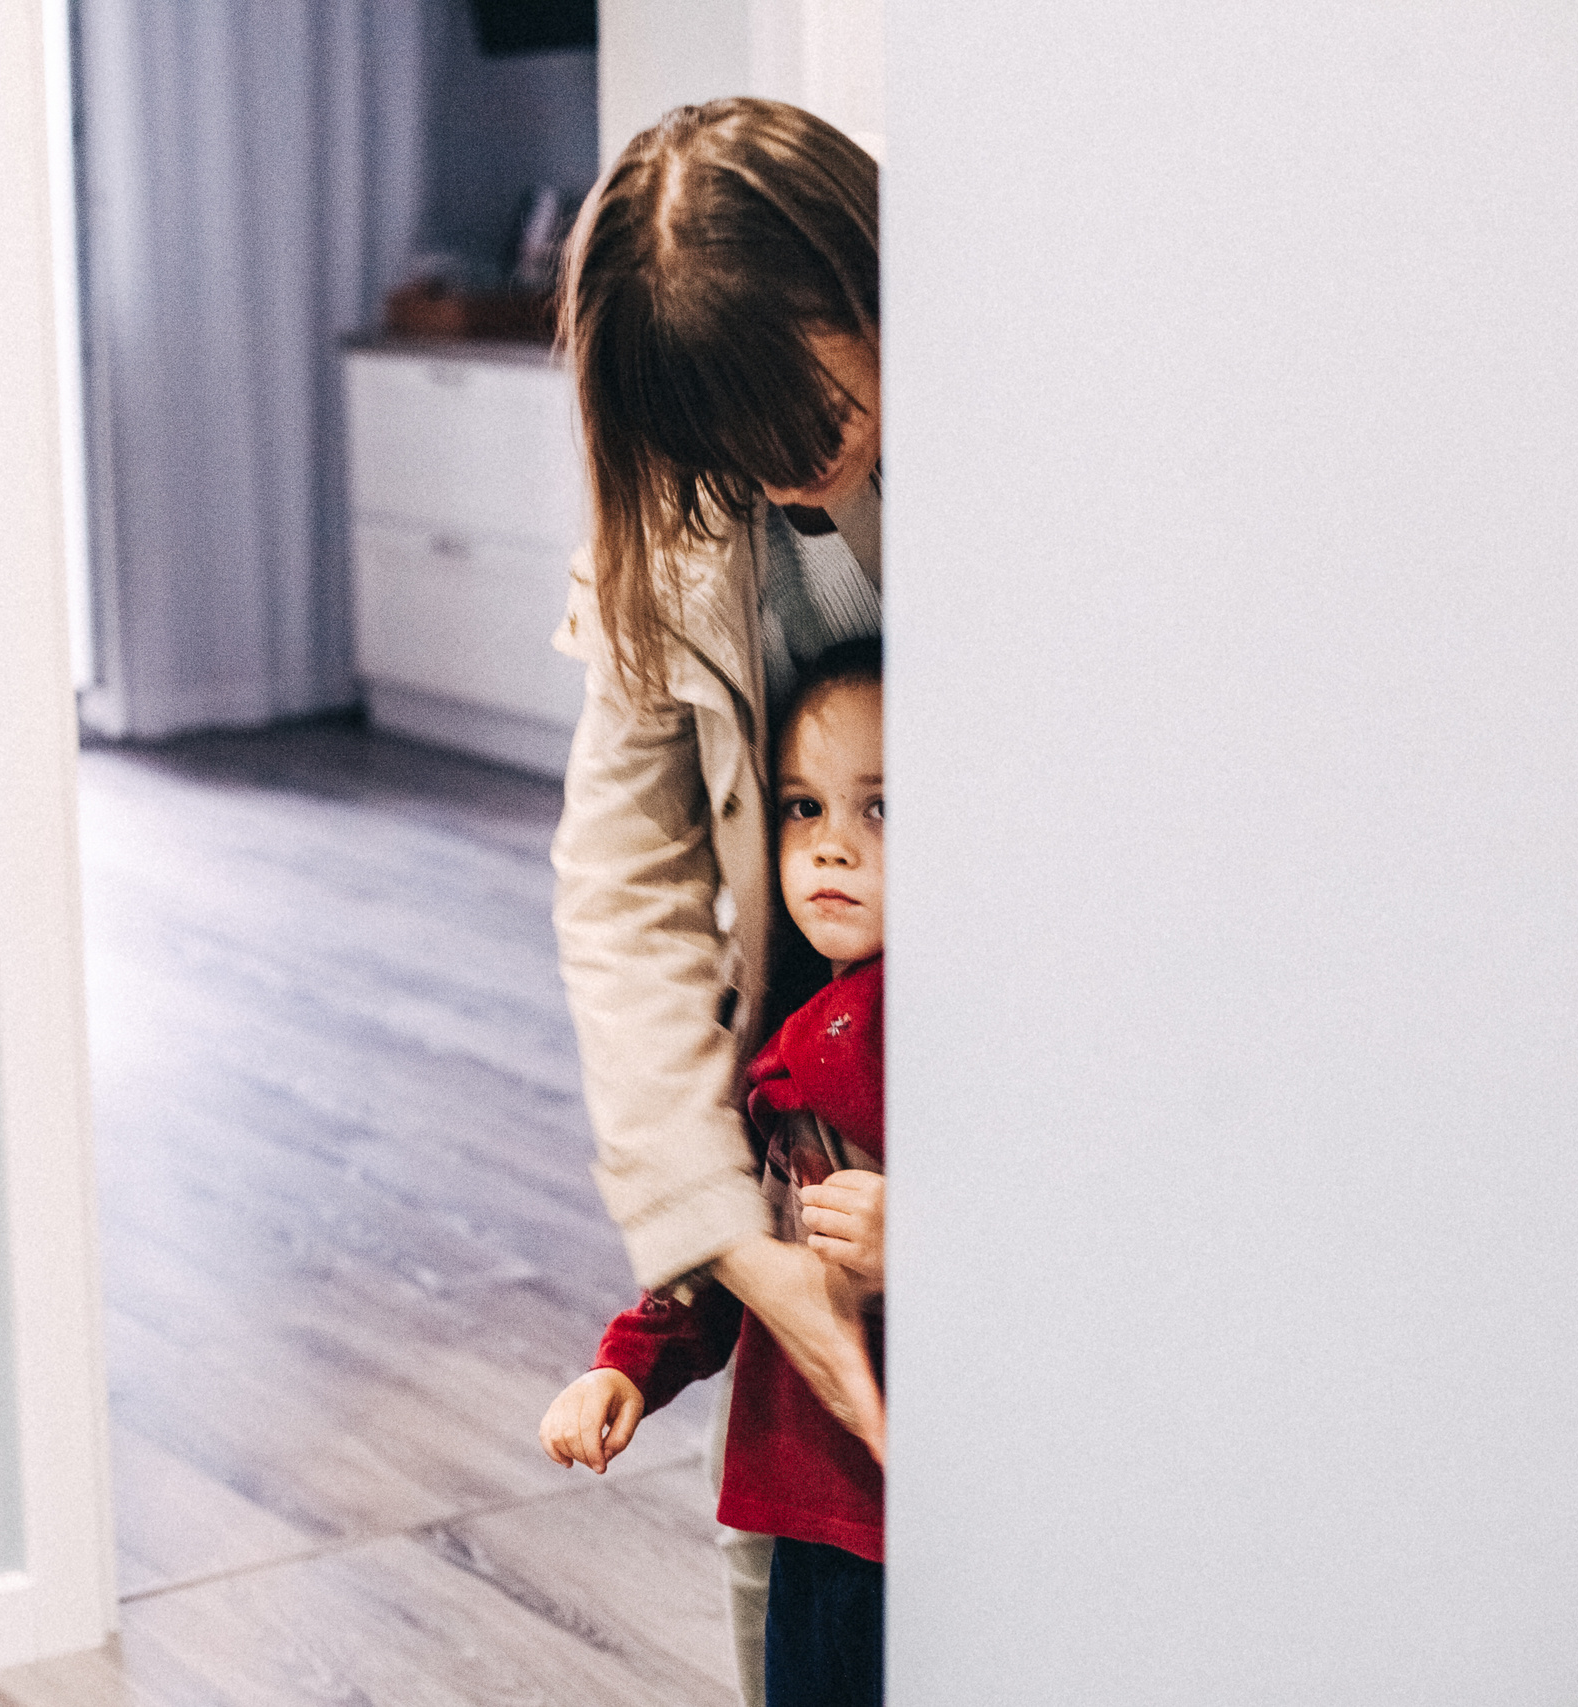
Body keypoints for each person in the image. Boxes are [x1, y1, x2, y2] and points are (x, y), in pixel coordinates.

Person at [550, 98, 883, 1699]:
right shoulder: (673, 515)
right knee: (810, 1595)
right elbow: (625, 880)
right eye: (736, 439)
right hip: (810, 1127)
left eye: (811, 399)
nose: (789, 460)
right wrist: (730, 1247)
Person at [543, 642, 888, 1707]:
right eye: (800, 808)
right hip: (810, 1509)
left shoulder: (948, 1029)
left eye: (881, 811)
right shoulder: (785, 1027)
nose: (830, 846)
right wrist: (628, 1369)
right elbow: (730, 1231)